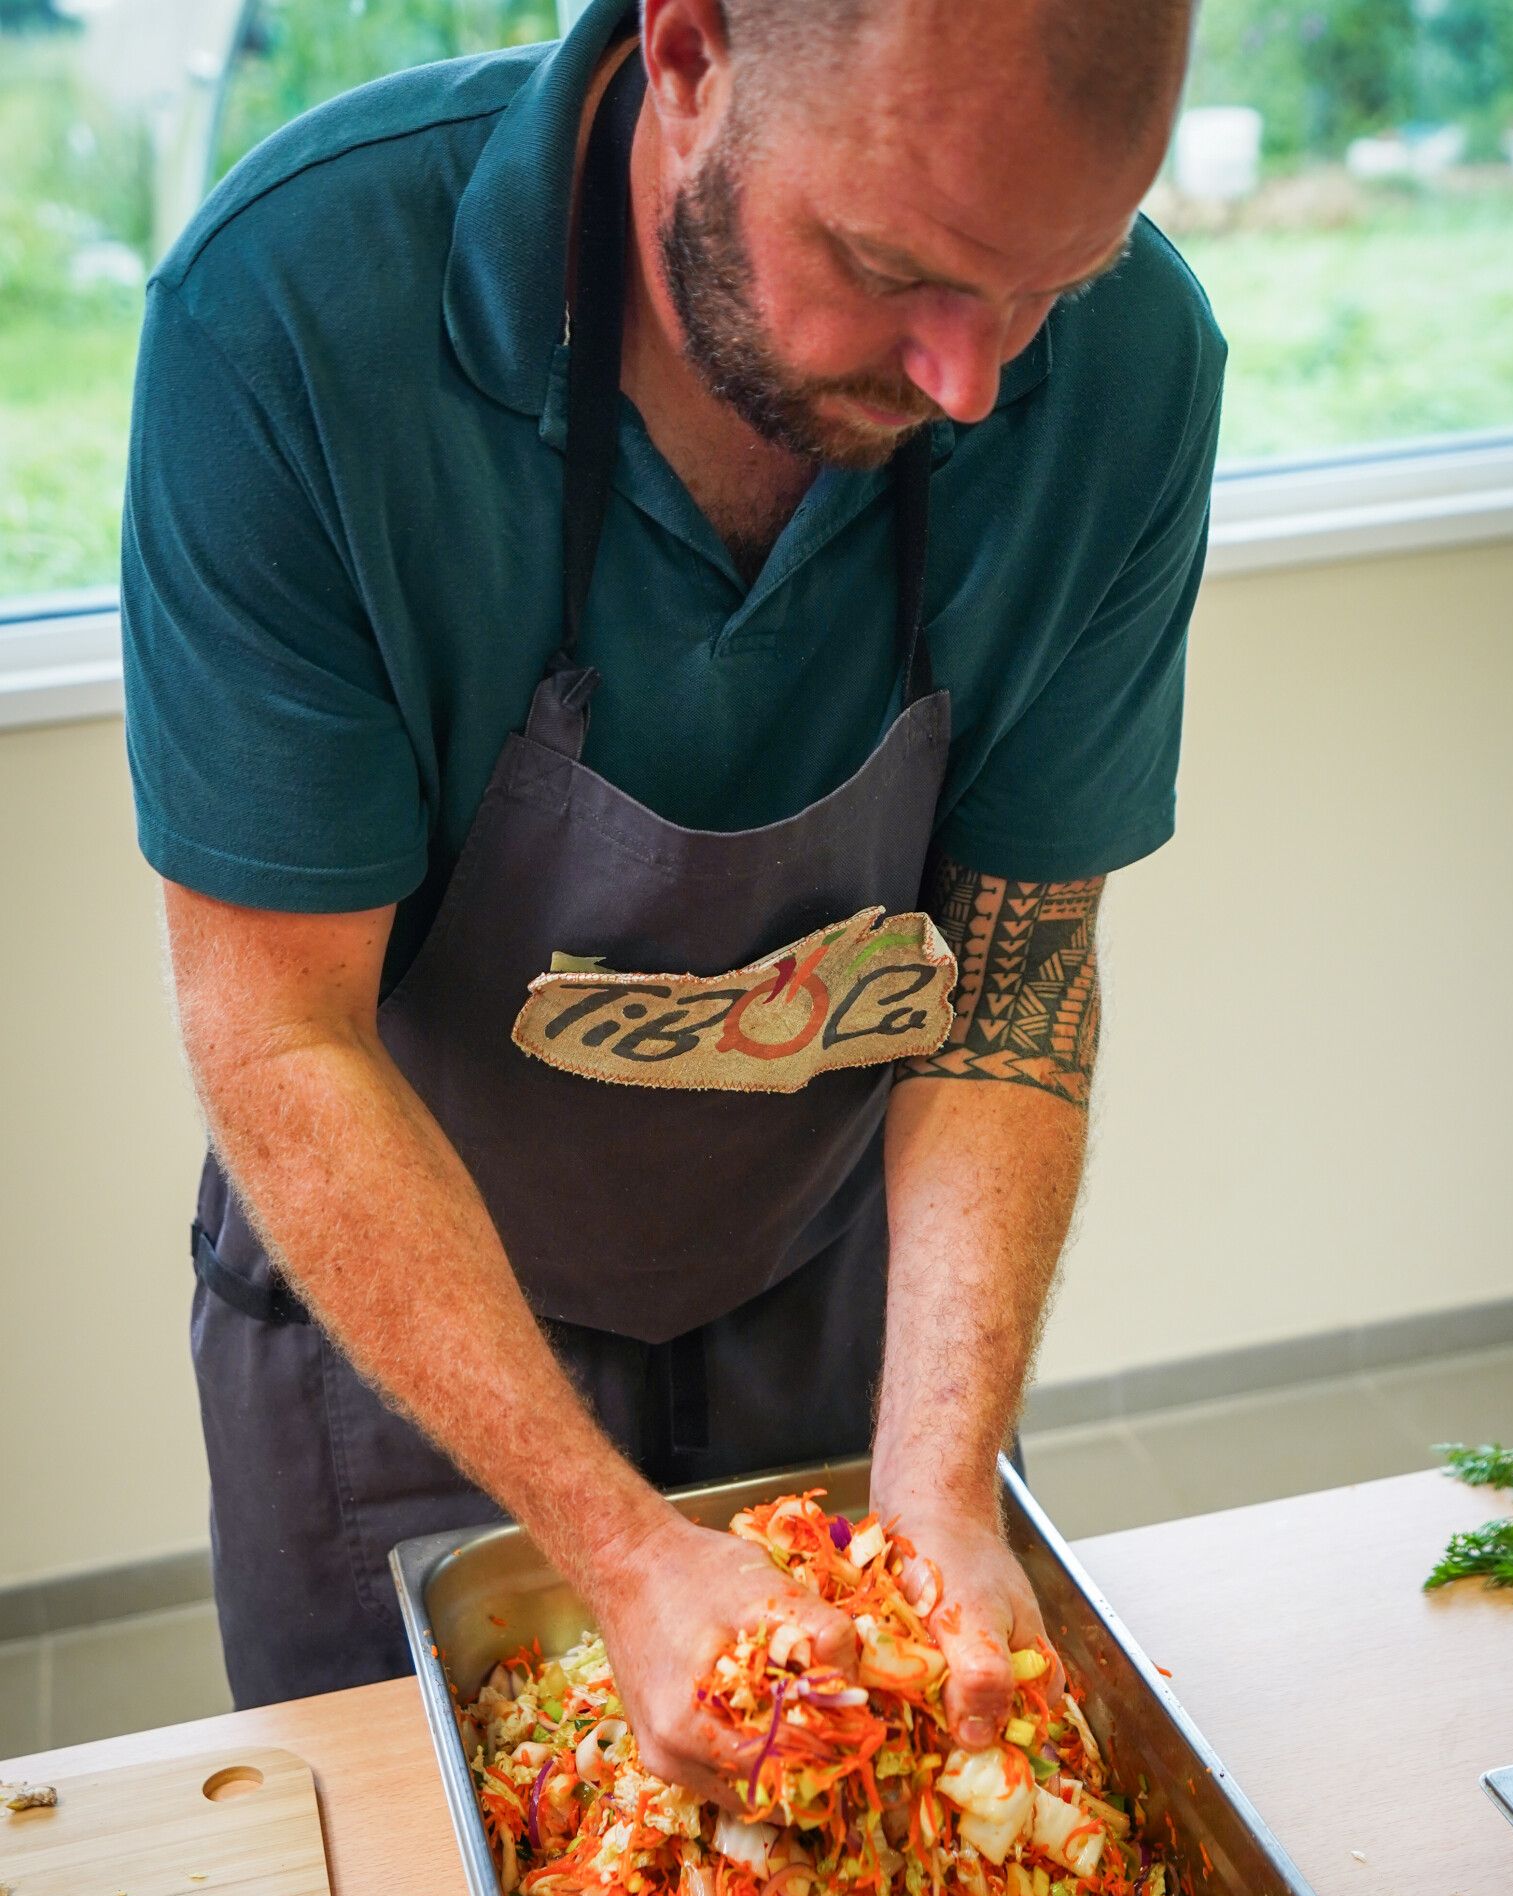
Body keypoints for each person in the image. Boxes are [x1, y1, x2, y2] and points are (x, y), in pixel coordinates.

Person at [123, 0, 1221, 1798]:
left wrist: (934, 1486)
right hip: (402, 1317)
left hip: (823, 1291)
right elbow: (278, 1027)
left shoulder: (1130, 370)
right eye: (890, 270)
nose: (972, 382)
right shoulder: (297, 313)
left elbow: (1019, 981)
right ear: (691, 54)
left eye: (1048, 289)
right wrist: (616, 1548)